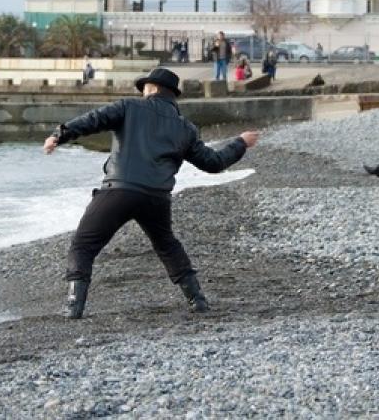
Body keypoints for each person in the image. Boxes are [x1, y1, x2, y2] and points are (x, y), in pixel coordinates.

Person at [42, 67, 260, 319]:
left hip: (119, 190)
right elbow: (213, 163)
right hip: (157, 197)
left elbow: (93, 120)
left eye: (144, 86)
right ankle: (197, 300)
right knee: (167, 245)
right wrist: (240, 142)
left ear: (153, 88)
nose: (142, 91)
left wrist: (60, 135)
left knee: (83, 245)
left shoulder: (128, 107)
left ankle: (73, 306)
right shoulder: (185, 128)